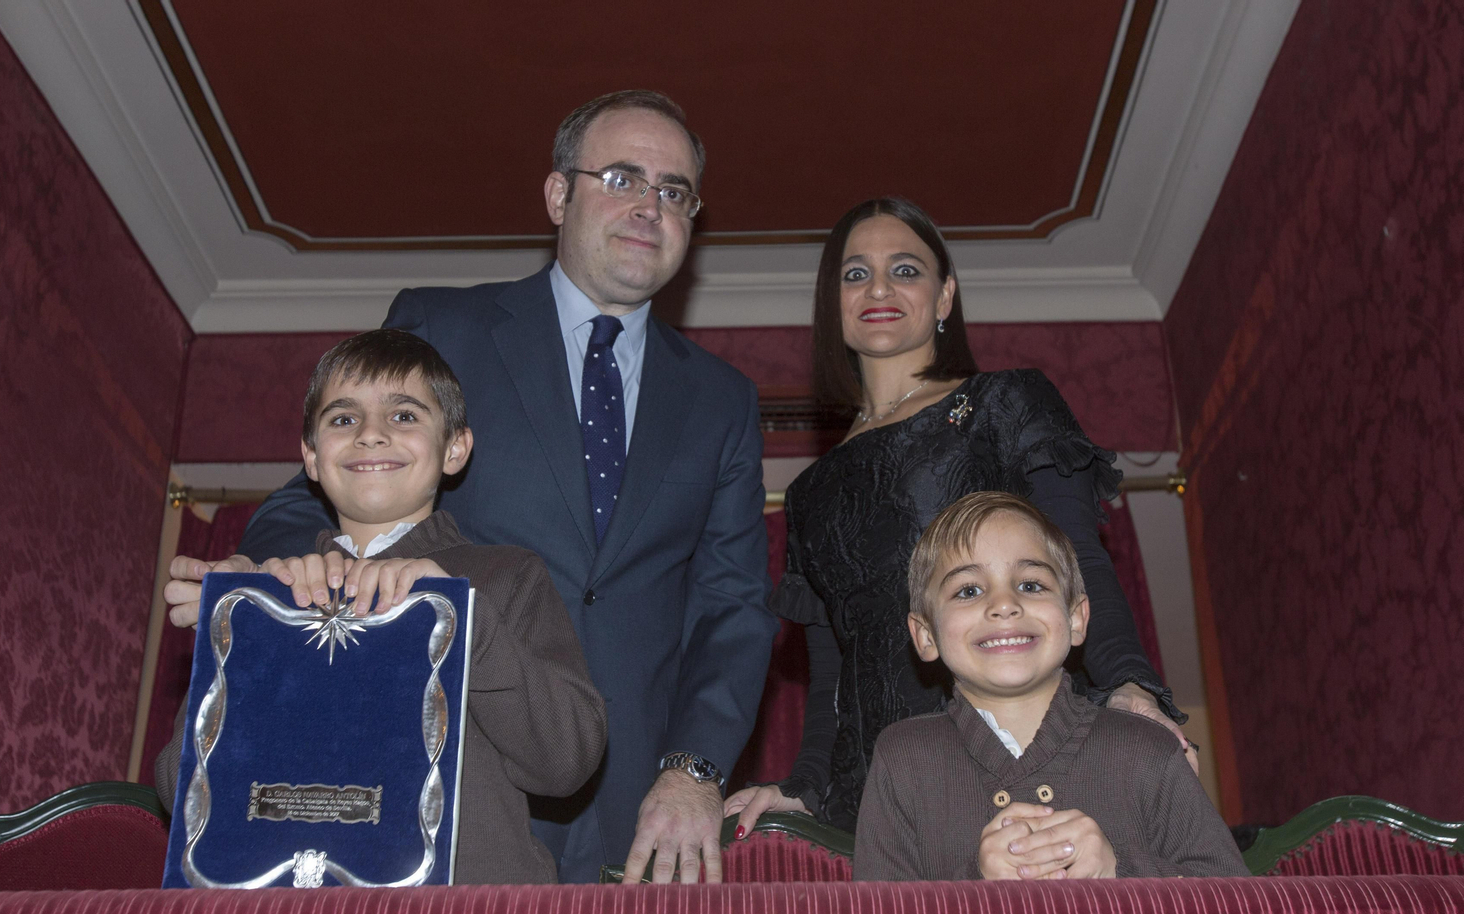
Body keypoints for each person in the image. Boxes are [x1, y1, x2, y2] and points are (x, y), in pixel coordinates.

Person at [175, 91, 777, 884]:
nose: (649, 206)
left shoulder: (723, 400)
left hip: (638, 813)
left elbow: (732, 607)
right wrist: (291, 587)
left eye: (674, 192)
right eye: (623, 177)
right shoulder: (443, 327)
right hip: (435, 773)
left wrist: (694, 769)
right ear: (559, 193)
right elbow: (306, 501)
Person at [726, 197, 1192, 835]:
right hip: (879, 802)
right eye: (855, 274)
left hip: (1022, 767)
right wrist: (806, 786)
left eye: (906, 270)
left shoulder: (1006, 404)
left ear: (945, 297)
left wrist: (1130, 687)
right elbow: (834, 669)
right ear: (831, 304)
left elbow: (1078, 558)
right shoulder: (809, 493)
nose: (880, 288)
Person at [157, 329, 608, 884]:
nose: (371, 435)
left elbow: (568, 759)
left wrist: (464, 620)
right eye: (343, 420)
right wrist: (241, 639)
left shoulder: (505, 578)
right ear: (312, 458)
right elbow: (178, 788)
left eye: (404, 417)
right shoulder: (272, 594)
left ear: (454, 449)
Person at [852, 491, 1245, 880]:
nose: (1004, 604)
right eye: (969, 590)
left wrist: (1121, 872)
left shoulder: (1148, 749)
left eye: (1030, 585)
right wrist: (975, 884)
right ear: (925, 636)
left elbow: (1239, 898)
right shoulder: (902, 759)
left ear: (1076, 619)